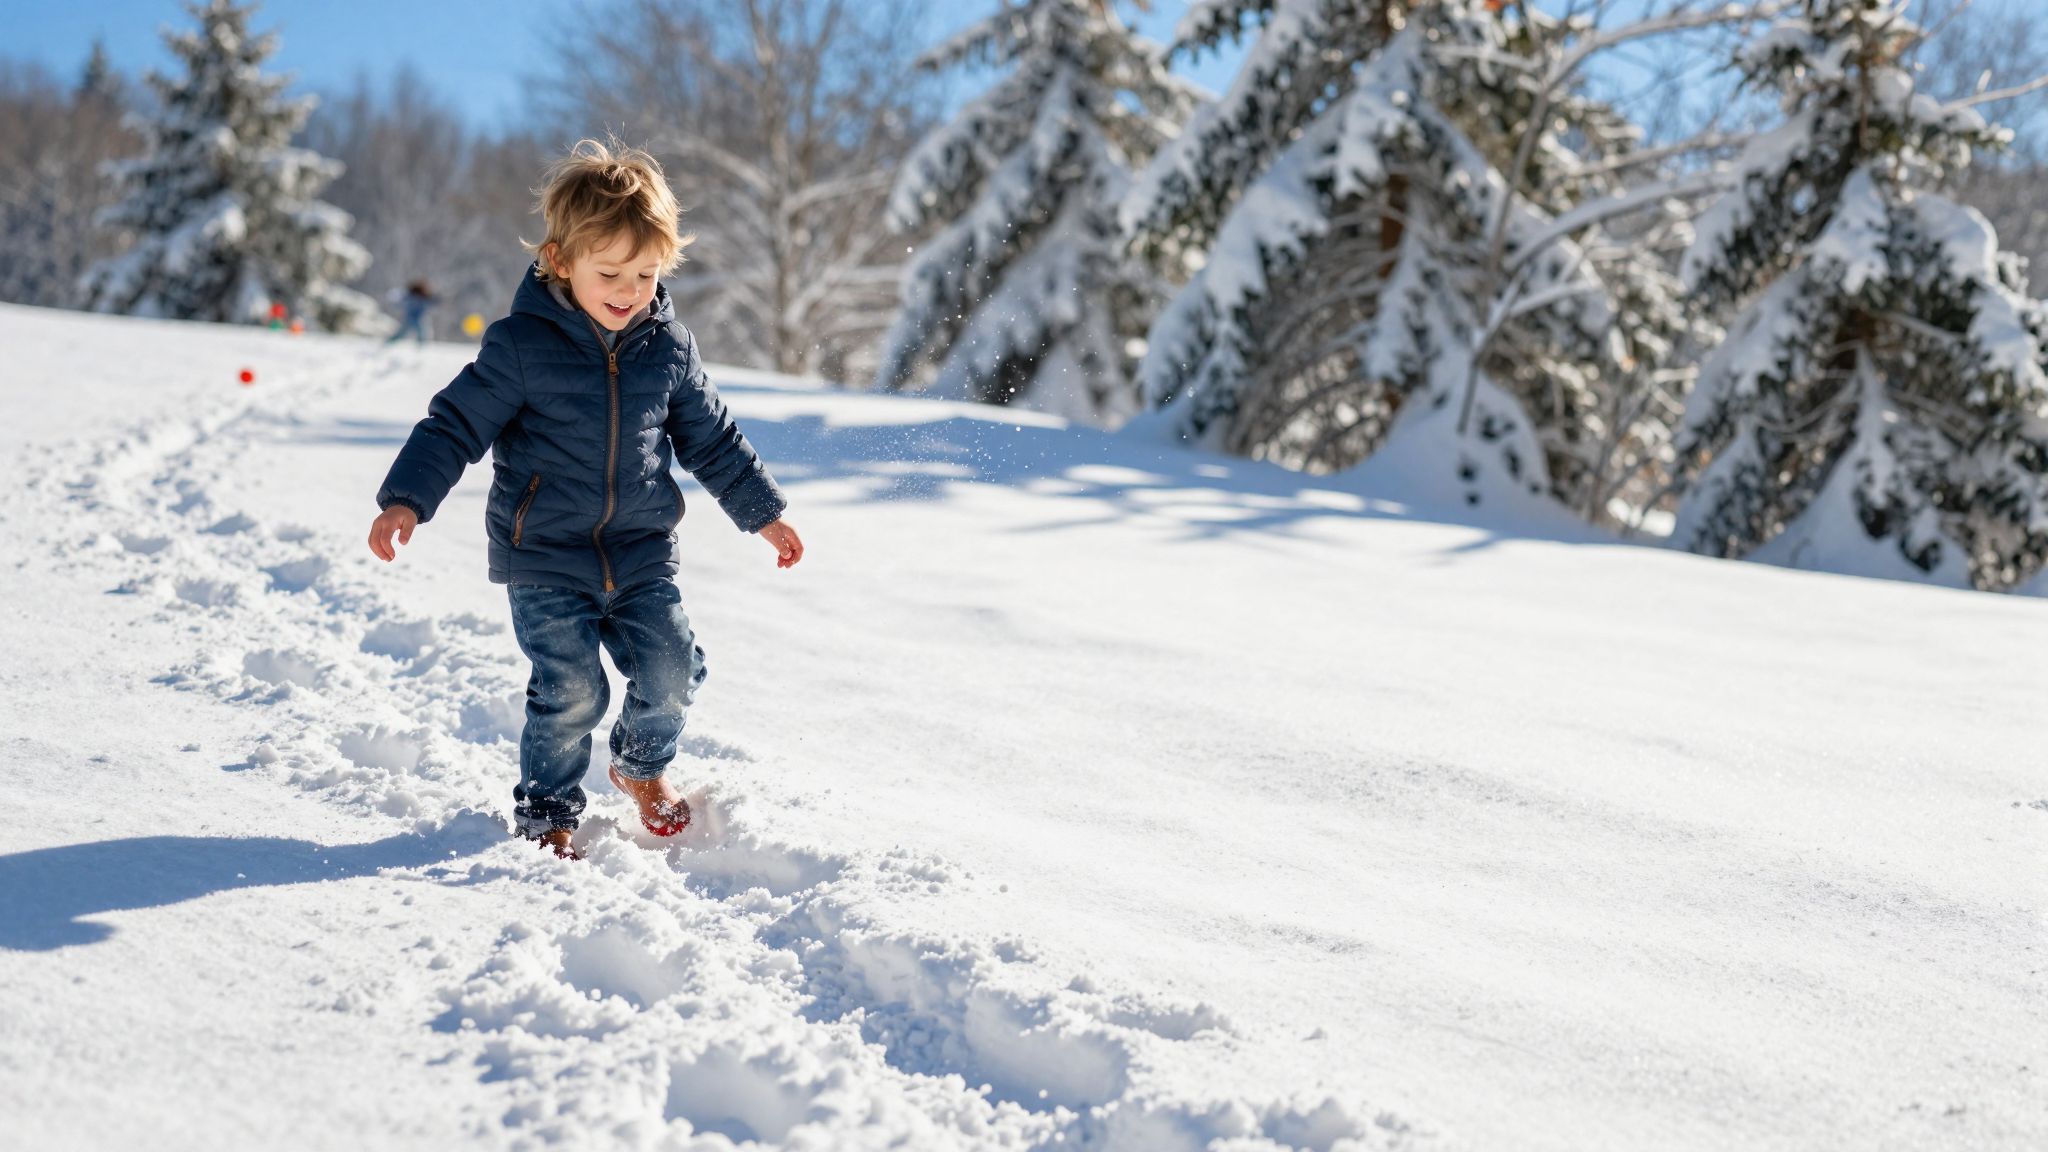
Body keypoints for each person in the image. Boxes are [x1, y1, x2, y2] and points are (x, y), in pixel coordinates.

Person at [365, 139, 804, 860]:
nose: (630, 290)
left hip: (638, 552)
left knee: (672, 669)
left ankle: (639, 766)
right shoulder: (518, 347)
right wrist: (407, 499)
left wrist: (765, 512)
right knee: (571, 690)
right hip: (543, 556)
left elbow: (713, 439)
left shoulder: (668, 349)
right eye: (610, 272)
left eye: (646, 272)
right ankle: (546, 810)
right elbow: (455, 424)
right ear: (560, 261)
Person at [386, 280, 437, 345]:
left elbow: (433, 301)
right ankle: (422, 346)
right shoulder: (412, 297)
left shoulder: (422, 298)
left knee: (420, 333)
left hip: (417, 319)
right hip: (412, 319)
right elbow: (400, 300)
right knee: (419, 333)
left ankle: (422, 347)